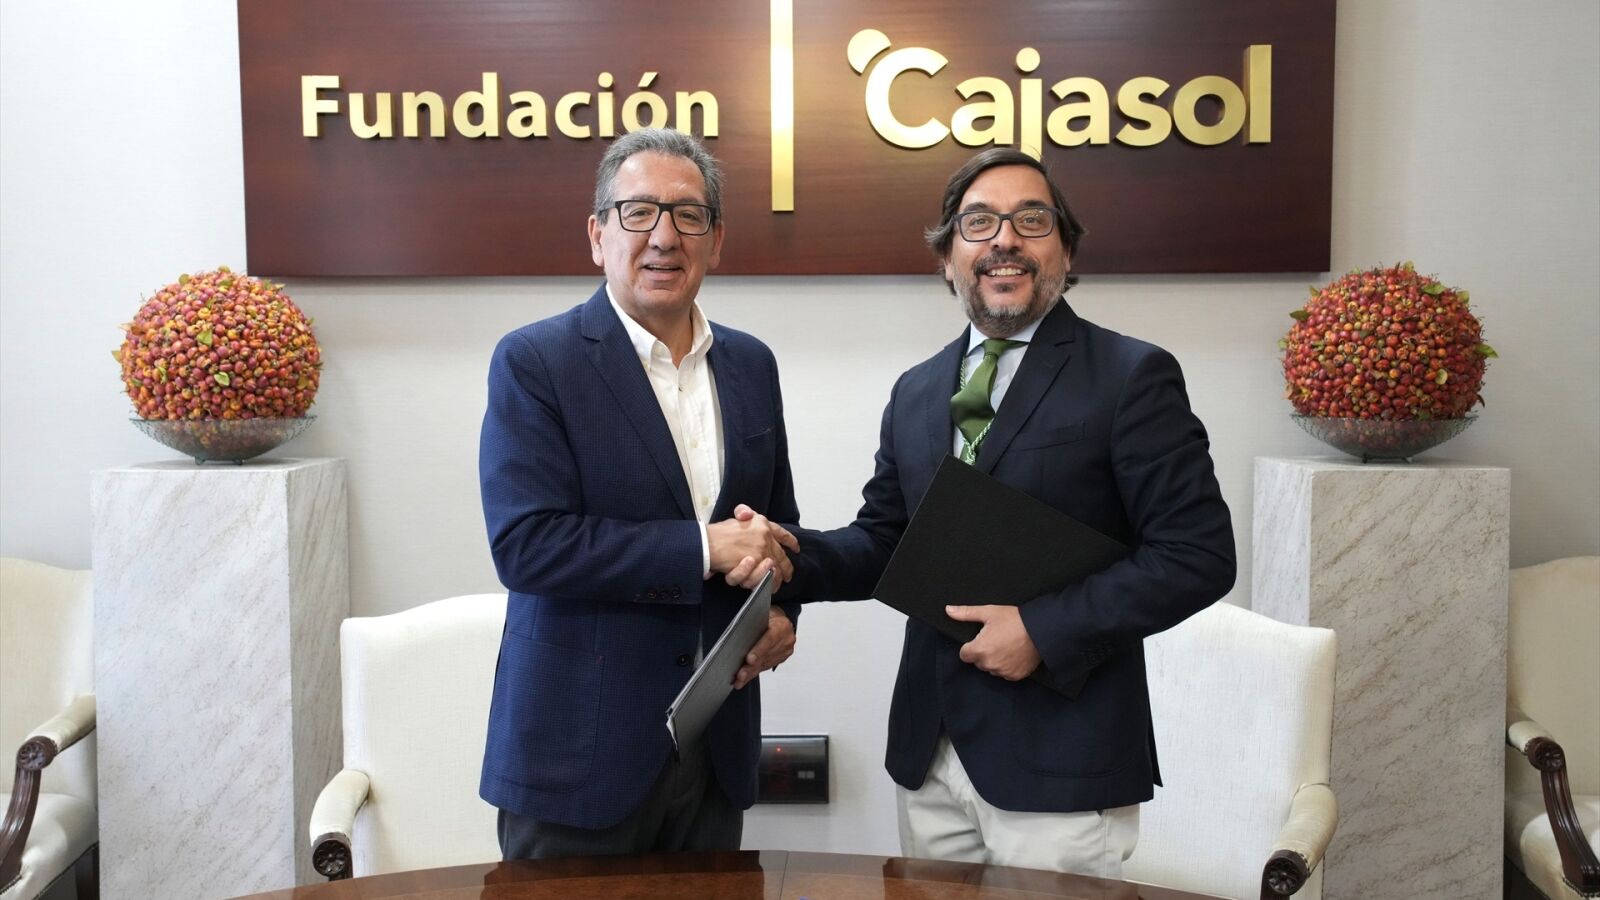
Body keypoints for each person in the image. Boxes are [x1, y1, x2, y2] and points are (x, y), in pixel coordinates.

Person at [786, 147, 1235, 877]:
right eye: (979, 223)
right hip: (930, 757)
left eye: (1031, 220)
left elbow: (1198, 555)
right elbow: (885, 543)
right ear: (948, 258)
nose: (1004, 240)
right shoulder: (916, 390)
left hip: (1062, 759)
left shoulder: (1131, 376)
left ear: (1066, 250)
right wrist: (784, 555)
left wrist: (1042, 630)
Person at [478, 128, 802, 859]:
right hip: (578, 757)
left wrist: (783, 615)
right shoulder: (536, 361)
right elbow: (527, 545)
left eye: (688, 215)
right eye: (638, 212)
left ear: (716, 240)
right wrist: (702, 548)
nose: (664, 236)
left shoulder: (752, 365)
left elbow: (776, 531)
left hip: (715, 749)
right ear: (598, 236)